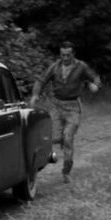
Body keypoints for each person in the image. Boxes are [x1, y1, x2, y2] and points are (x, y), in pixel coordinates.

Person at [29, 41, 100, 183]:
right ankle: (57, 141)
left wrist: (95, 85)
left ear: (73, 54)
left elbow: (95, 78)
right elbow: (41, 80)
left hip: (73, 107)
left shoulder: (81, 67)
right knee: (53, 138)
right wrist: (35, 94)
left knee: (68, 138)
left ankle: (66, 171)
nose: (65, 58)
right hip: (56, 105)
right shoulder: (54, 67)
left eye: (68, 55)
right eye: (63, 55)